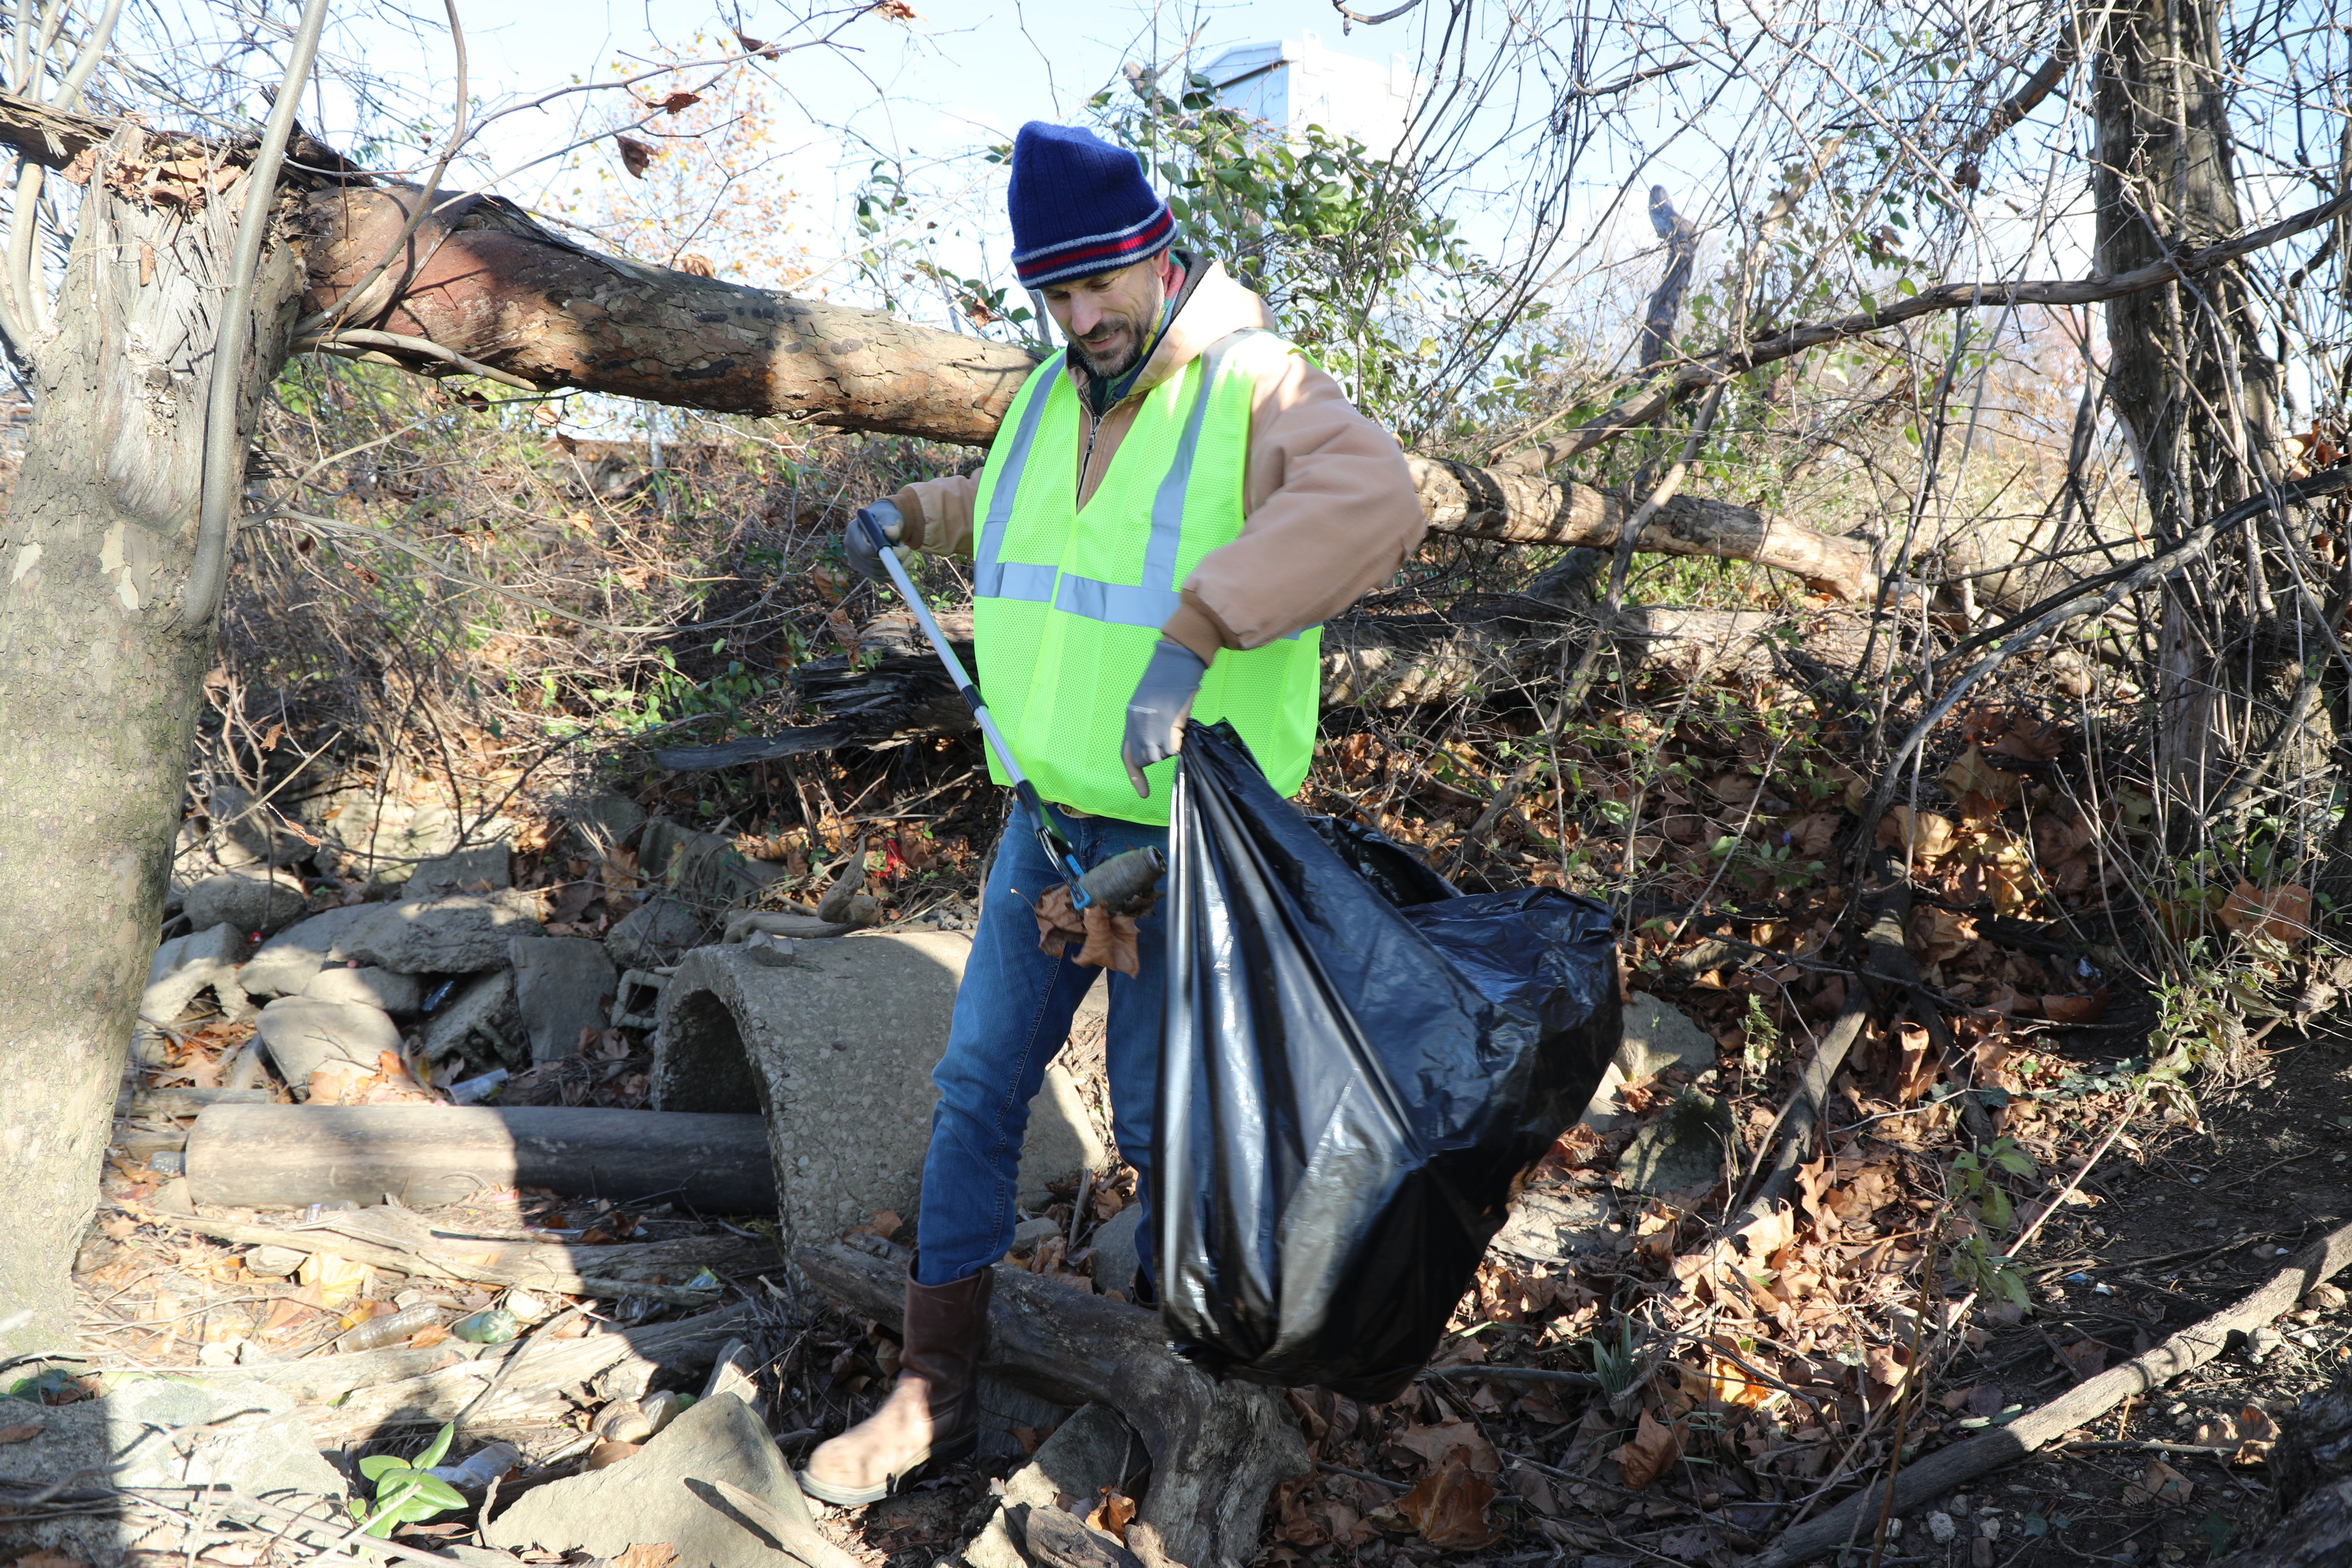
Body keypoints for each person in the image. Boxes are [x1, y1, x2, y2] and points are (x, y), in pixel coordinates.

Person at [798, 120, 1424, 1506]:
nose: (1082, 317)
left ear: (1156, 254)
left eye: (1101, 285)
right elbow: (1036, 510)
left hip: (1192, 847)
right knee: (974, 1095)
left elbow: (1381, 493)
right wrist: (919, 504)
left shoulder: (1254, 385)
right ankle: (930, 1394)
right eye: (1056, 294)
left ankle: (1191, 1395)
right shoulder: (1048, 394)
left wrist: (1199, 630)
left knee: (1165, 1121)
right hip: (1052, 824)